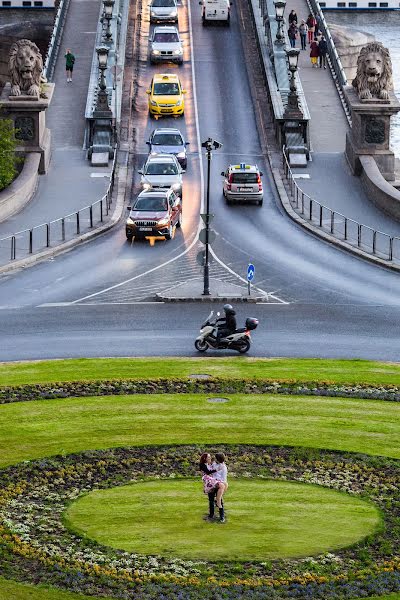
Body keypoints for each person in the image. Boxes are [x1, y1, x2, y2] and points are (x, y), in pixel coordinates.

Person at [199, 453, 227, 522]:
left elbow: (223, 478)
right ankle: (211, 515)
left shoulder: (221, 467)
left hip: (216, 483)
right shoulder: (207, 464)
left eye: (211, 458)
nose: (211, 459)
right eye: (209, 458)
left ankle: (222, 517)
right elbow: (208, 472)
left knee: (219, 499)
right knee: (211, 499)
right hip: (210, 483)